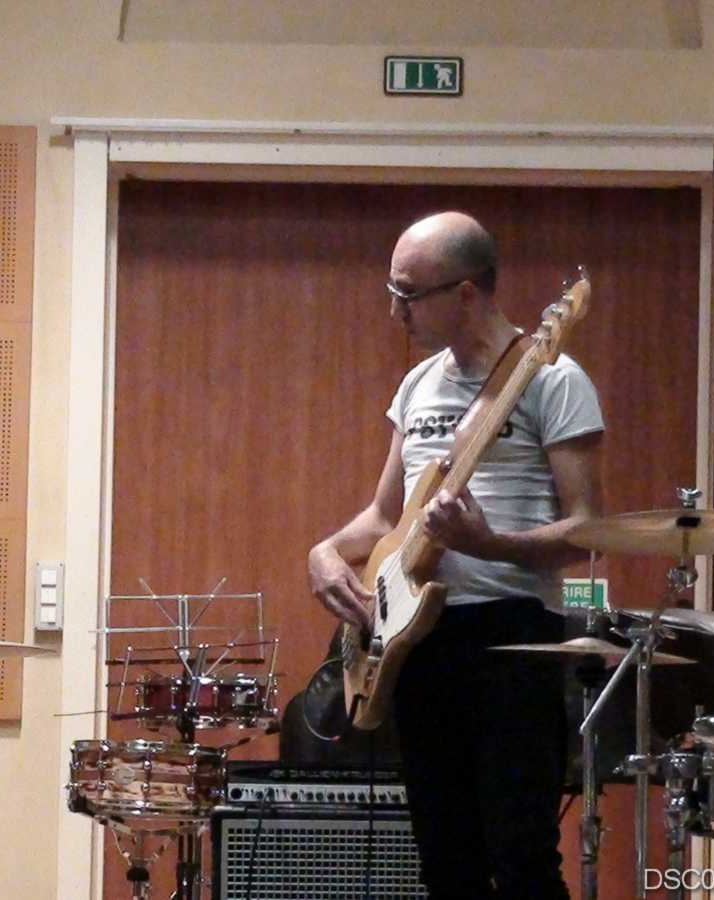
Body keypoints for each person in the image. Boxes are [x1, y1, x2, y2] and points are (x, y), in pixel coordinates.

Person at [308, 212, 603, 899]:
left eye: (408, 294)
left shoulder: (554, 380)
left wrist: (488, 544)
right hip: (417, 641)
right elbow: (386, 516)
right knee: (445, 861)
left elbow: (590, 529)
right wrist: (325, 552)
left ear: (466, 292)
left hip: (511, 637)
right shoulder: (417, 385)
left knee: (523, 858)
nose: (396, 311)